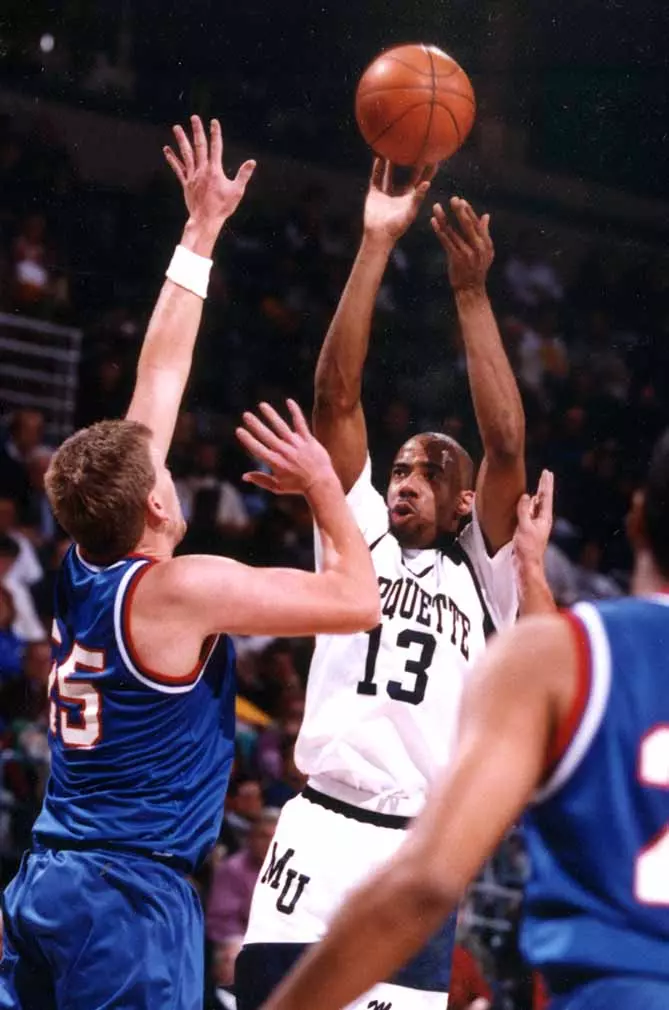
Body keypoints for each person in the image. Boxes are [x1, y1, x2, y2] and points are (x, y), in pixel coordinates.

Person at [0, 116, 380, 1010]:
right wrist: (324, 482)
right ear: (158, 506)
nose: (167, 462)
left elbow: (158, 380)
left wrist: (199, 231)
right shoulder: (178, 589)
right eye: (161, 471)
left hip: (48, 882)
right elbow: (358, 600)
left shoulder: (86, 561)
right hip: (130, 901)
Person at [236, 161, 532, 1010]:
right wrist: (373, 243)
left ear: (465, 502)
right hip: (318, 824)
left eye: (429, 471)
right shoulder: (355, 527)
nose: (404, 479)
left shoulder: (487, 573)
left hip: (411, 851)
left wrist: (470, 292)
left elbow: (506, 442)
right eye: (398, 467)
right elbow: (335, 392)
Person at [259, 431, 669, 1010]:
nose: (410, 483)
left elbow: (427, 883)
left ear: (637, 520)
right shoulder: (373, 540)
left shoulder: (592, 648)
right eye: (402, 470)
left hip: (604, 982)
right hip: (328, 812)